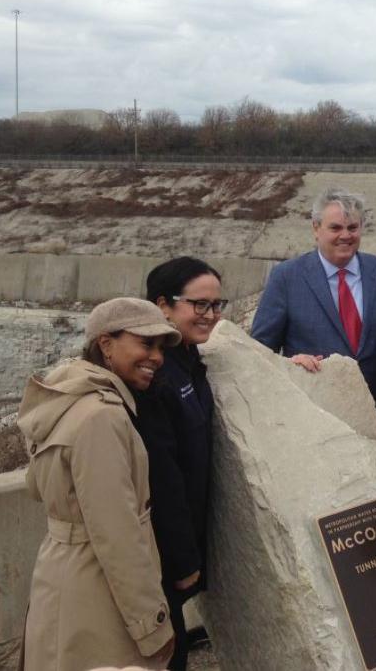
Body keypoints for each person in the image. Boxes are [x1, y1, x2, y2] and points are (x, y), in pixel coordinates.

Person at [18, 298, 181, 671]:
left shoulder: (67, 399)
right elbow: (117, 534)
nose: (156, 357)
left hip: (64, 574)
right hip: (98, 593)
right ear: (106, 344)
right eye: (145, 343)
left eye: (160, 347)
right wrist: (151, 626)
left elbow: (37, 487)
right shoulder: (102, 418)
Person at [252, 189, 376, 414]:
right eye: (335, 228)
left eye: (352, 227)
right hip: (315, 413)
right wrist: (291, 363)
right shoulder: (286, 277)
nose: (345, 235)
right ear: (316, 228)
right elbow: (260, 350)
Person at [143, 257, 223, 670]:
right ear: (163, 306)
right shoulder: (156, 377)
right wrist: (184, 561)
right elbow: (163, 478)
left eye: (216, 305)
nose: (210, 316)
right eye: (199, 305)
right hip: (162, 555)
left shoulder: (189, 359)